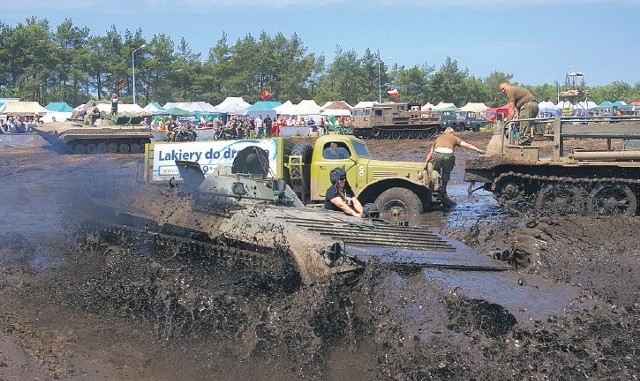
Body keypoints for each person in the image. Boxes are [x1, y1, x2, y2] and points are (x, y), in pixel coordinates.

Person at [424, 127, 485, 200]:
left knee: (435, 169)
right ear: (451, 133)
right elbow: (467, 145)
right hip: (448, 155)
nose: (454, 134)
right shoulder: (454, 138)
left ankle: (437, 184)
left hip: (437, 154)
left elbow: (431, 153)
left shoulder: (438, 139)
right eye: (454, 133)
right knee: (446, 171)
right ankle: (443, 189)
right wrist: (478, 150)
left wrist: (426, 163)